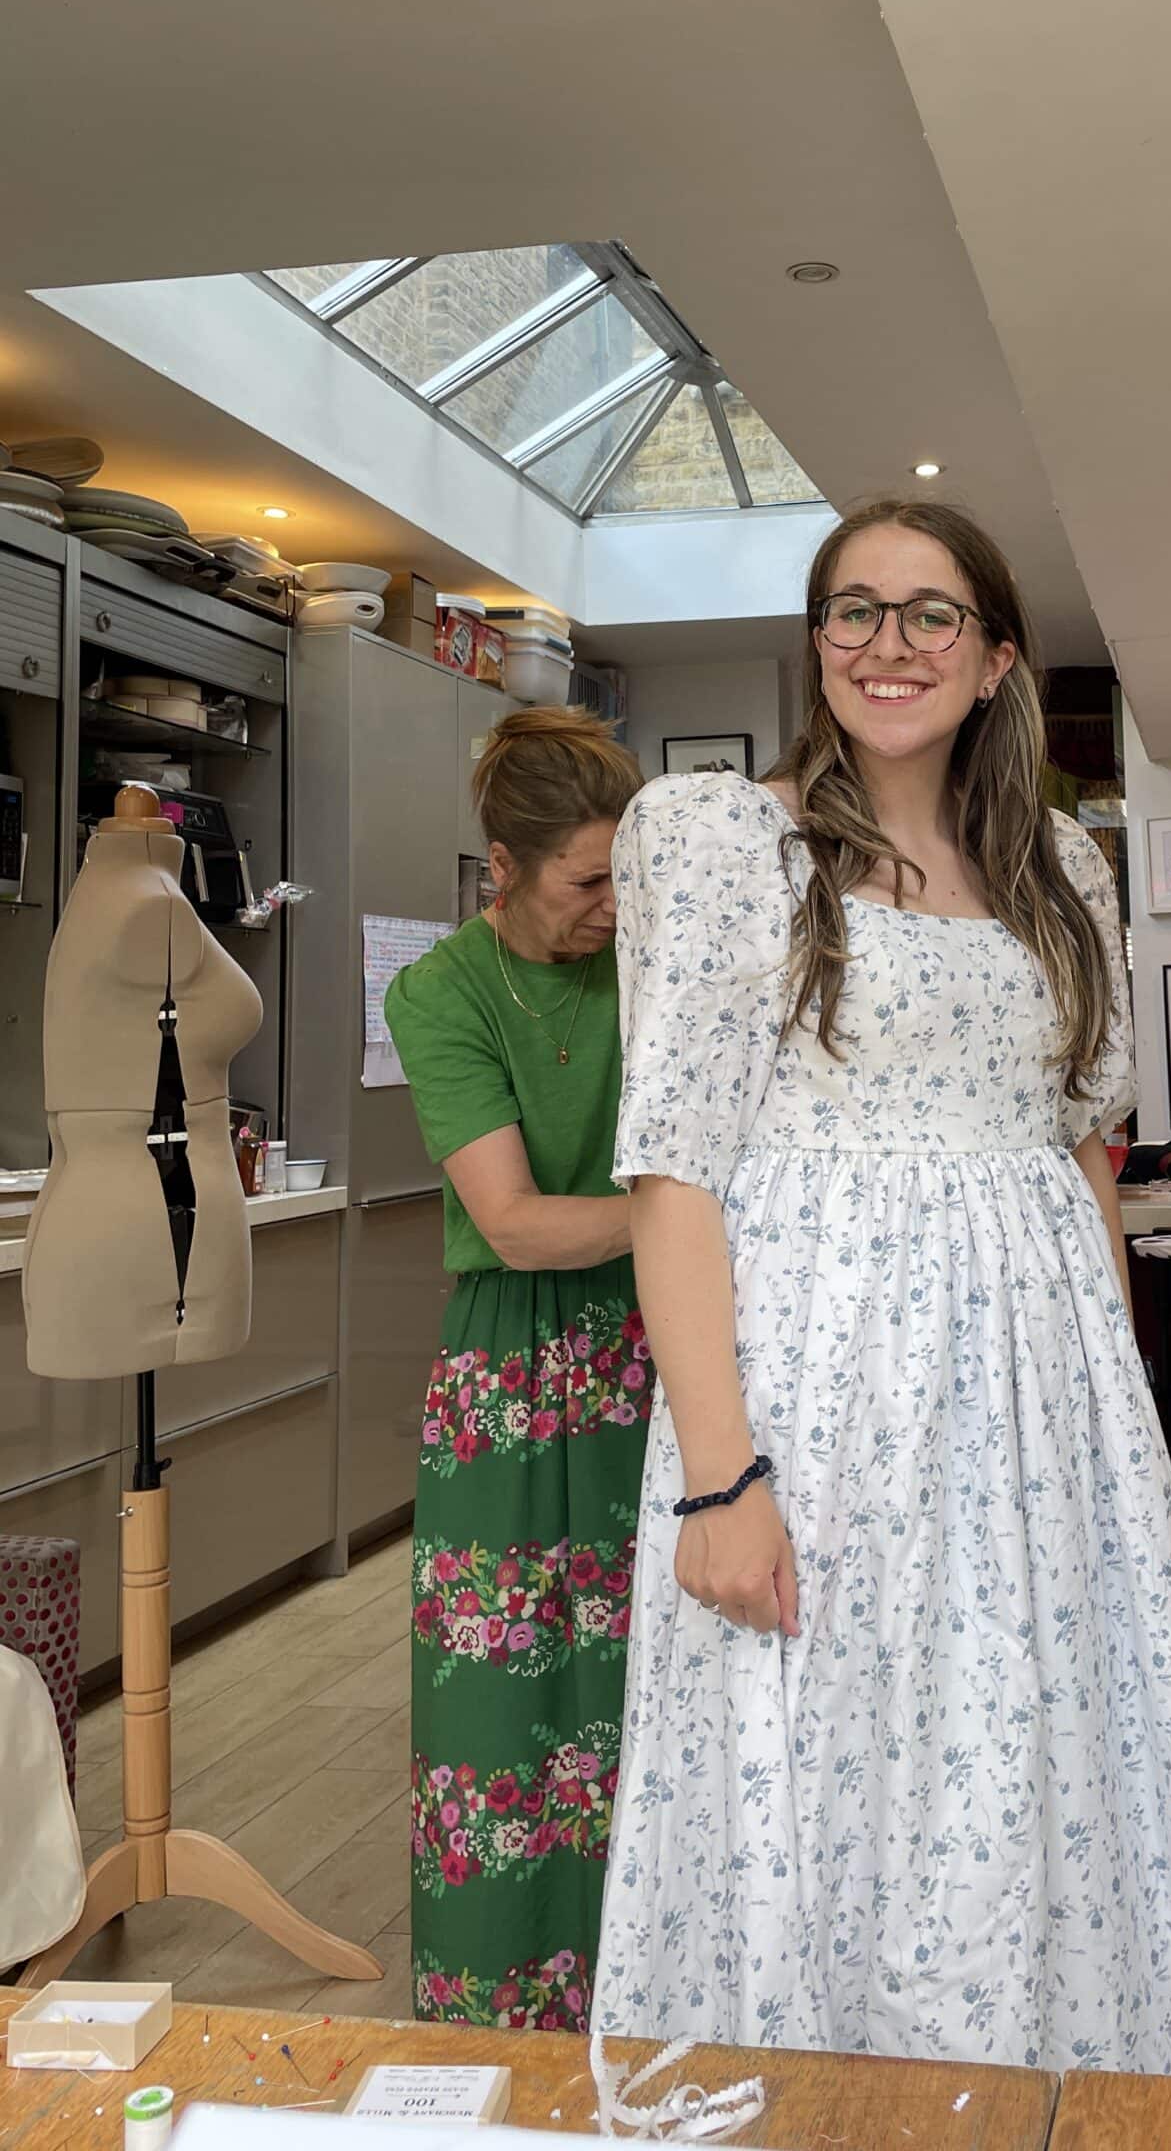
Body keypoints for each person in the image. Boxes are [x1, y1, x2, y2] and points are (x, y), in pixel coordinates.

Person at [594, 500, 1171, 2076]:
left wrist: (1118, 1418)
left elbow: (1086, 1151)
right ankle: (845, 2095)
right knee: (845, 1749)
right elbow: (675, 1177)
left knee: (1036, 1748)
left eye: (932, 614)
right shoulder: (727, 837)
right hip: (823, 1383)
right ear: (818, 643)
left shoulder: (1063, 861)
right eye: (854, 611)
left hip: (1038, 1404)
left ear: (998, 658)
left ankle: (1037, 2086)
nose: (890, 645)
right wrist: (722, 1474)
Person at [385, 708, 648, 2032]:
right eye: (587, 880)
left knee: (661, 1691)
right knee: (508, 1708)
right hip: (521, 1381)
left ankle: (665, 2000)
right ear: (504, 864)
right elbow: (516, 1224)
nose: (613, 908)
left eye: (628, 877)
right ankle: (509, 2027)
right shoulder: (442, 992)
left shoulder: (658, 959)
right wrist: (691, 1220)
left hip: (675, 1356)